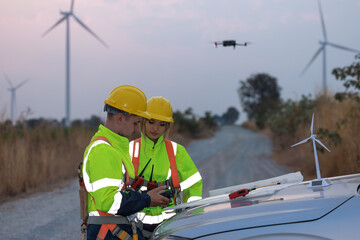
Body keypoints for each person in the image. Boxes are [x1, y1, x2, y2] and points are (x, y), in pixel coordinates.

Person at [82, 85, 170, 240]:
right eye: (136, 123)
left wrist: (147, 196)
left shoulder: (115, 148)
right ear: (120, 118)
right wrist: (146, 199)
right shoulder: (104, 151)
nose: (138, 130)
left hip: (115, 230)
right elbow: (109, 203)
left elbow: (120, 193)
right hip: (108, 233)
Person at [129, 96, 202, 232]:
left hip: (168, 225)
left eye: (161, 124)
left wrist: (193, 215)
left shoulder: (176, 151)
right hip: (134, 225)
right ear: (143, 121)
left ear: (167, 126)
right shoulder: (130, 149)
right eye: (151, 122)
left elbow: (194, 185)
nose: (156, 128)